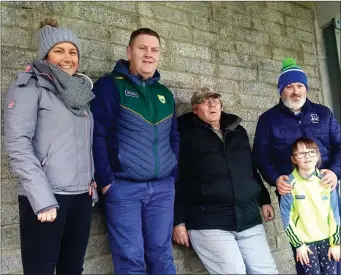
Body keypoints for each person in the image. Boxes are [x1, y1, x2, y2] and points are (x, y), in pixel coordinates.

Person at [4, 19, 97, 274]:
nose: (68, 58)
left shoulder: (80, 92)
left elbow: (84, 144)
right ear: (46, 55)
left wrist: (91, 185)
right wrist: (43, 200)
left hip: (80, 197)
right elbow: (18, 144)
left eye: (73, 51)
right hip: (46, 198)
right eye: (59, 50)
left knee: (72, 269)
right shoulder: (28, 87)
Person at [90, 28, 179, 274]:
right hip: (123, 188)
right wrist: (106, 181)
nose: (149, 55)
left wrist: (172, 176)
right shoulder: (109, 86)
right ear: (129, 51)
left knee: (162, 256)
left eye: (154, 50)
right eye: (142, 48)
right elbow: (97, 135)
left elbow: (174, 137)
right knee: (130, 260)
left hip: (162, 189)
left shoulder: (165, 94)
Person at [172, 87, 278, 274]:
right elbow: (177, 178)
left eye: (215, 100)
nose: (212, 104)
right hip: (209, 220)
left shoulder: (238, 131)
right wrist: (178, 221)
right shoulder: (184, 135)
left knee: (267, 271)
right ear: (195, 109)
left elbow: (249, 169)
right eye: (205, 101)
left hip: (248, 217)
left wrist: (264, 199)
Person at [253, 57, 341, 274]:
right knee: (305, 260)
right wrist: (275, 178)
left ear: (306, 88)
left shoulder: (323, 113)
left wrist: (336, 172)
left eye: (300, 85)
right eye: (289, 86)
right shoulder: (268, 119)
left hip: (326, 191)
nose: (295, 91)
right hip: (293, 194)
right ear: (281, 90)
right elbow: (260, 156)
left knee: (334, 252)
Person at [280, 137, 340, 275]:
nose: (307, 156)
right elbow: (286, 218)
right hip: (305, 245)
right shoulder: (289, 184)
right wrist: (298, 245)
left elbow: (335, 215)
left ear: (318, 156)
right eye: (301, 153)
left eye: (311, 152)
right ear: (293, 159)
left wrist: (335, 243)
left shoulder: (326, 181)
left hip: (327, 241)